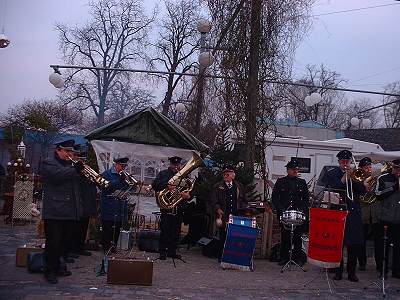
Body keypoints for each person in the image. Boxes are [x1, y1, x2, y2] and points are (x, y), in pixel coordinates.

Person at [41, 139, 84, 284]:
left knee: (63, 242)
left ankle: (59, 267)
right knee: (53, 242)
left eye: (71, 151)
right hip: (55, 210)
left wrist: (83, 174)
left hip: (69, 210)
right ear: (58, 150)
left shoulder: (69, 164)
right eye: (67, 151)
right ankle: (49, 271)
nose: (70, 154)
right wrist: (75, 169)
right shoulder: (49, 162)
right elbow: (57, 176)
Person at [320, 150, 364, 282]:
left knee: (354, 244)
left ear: (350, 162)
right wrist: (344, 178)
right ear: (339, 162)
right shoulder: (332, 173)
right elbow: (333, 188)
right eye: (343, 162)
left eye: (347, 162)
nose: (345, 164)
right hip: (338, 211)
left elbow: (361, 191)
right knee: (338, 243)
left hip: (353, 212)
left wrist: (353, 178)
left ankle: (351, 272)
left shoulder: (355, 173)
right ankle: (338, 271)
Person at [271, 159, 310, 266]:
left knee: (297, 237)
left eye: (297, 169)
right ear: (288, 170)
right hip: (285, 213)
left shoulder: (302, 183)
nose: (295, 171)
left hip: (298, 214)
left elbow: (306, 199)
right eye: (293, 169)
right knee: (285, 236)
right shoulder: (281, 181)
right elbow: (274, 197)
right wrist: (281, 209)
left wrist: (302, 209)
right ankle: (284, 257)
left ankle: (297, 258)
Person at [152, 156, 191, 260]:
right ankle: (162, 251)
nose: (176, 167)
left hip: (178, 207)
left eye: (177, 165)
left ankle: (172, 251)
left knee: (176, 230)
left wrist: (187, 196)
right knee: (165, 230)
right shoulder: (163, 174)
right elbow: (155, 185)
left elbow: (189, 190)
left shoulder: (184, 176)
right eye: (174, 165)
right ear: (170, 164)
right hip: (166, 207)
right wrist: (166, 185)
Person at [210, 164, 247, 259]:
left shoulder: (239, 186)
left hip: (236, 216)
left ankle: (232, 255)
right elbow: (214, 200)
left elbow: (244, 201)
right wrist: (218, 209)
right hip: (223, 215)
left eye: (228, 174)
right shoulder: (217, 186)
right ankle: (221, 256)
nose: (225, 176)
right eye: (224, 174)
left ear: (233, 175)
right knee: (222, 235)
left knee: (234, 236)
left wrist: (242, 210)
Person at [375, 159, 400, 279]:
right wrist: (393, 188)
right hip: (385, 218)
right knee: (383, 246)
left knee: (398, 247)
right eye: (396, 168)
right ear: (393, 168)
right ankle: (382, 270)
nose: (398, 171)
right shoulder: (384, 178)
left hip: (398, 219)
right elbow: (378, 195)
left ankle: (396, 270)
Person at [100, 157, 129, 253]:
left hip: (119, 206)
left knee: (117, 227)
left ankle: (113, 246)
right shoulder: (107, 174)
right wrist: (119, 180)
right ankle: (106, 246)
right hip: (108, 205)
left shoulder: (123, 175)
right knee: (107, 227)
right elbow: (105, 186)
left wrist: (129, 184)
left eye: (125, 166)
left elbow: (125, 188)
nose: (123, 168)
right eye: (122, 166)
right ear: (116, 164)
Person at [74, 148, 97, 256]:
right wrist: (80, 174)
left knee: (83, 228)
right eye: (81, 160)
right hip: (78, 203)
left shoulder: (86, 171)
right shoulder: (75, 171)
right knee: (75, 228)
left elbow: (93, 185)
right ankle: (72, 249)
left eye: (84, 160)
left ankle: (80, 247)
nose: (83, 163)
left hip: (87, 203)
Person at [357, 157, 373, 271]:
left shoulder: (374, 179)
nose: (369, 169)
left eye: (370, 167)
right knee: (361, 240)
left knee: (374, 239)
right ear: (361, 168)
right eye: (366, 167)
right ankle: (362, 262)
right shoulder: (358, 178)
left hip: (375, 214)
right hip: (363, 213)